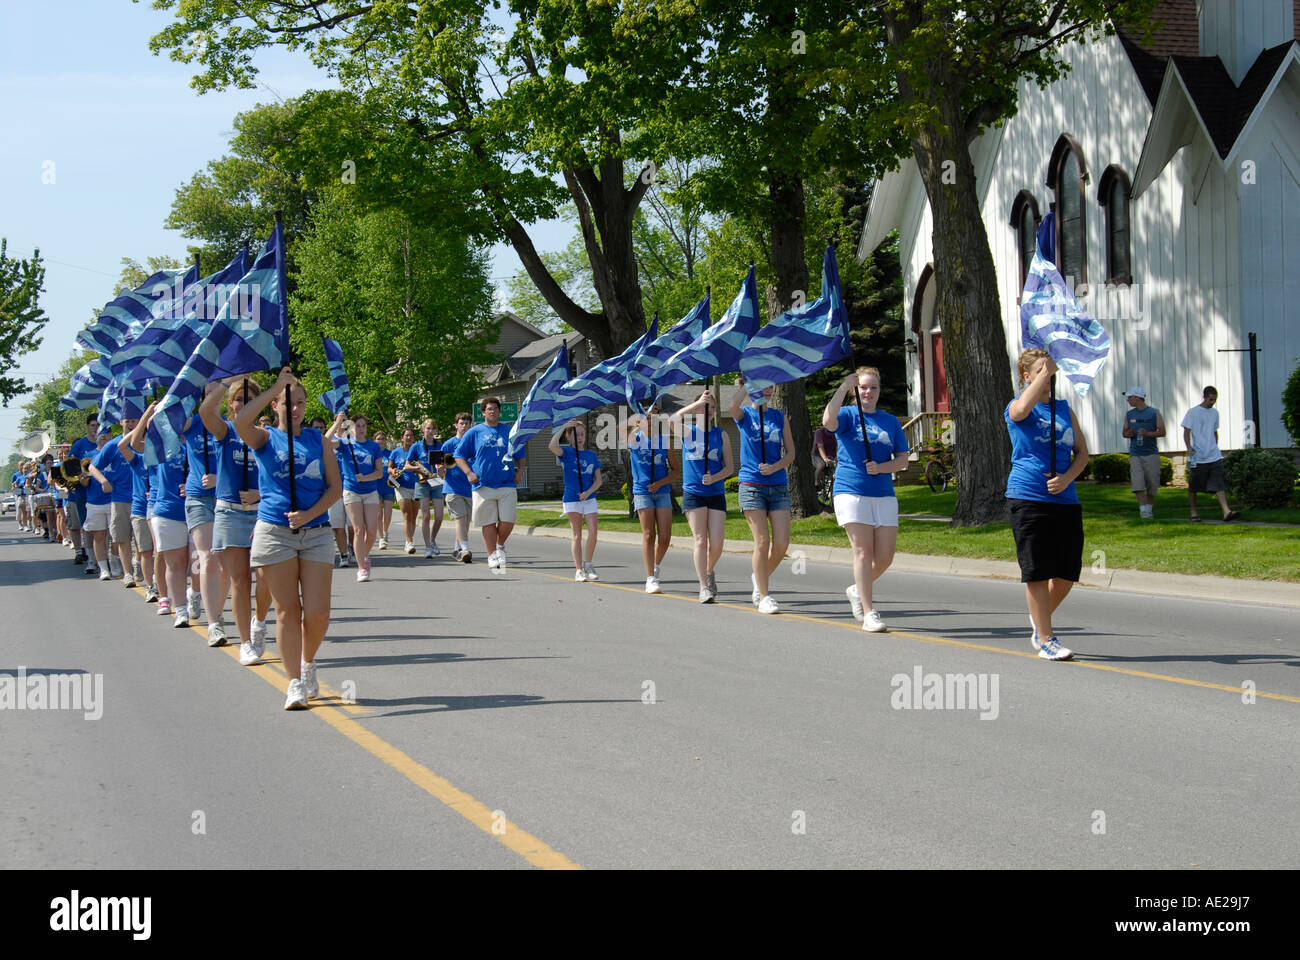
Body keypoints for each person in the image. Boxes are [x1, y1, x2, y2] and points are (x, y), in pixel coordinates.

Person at [235, 368, 342, 710]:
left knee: (318, 613)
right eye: (287, 403)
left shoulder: (317, 440)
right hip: (275, 532)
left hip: (316, 532)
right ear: (276, 406)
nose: (294, 409)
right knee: (287, 611)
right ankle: (294, 682)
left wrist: (309, 515)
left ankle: (309, 662)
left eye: (299, 403)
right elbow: (240, 422)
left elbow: (335, 488)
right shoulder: (265, 438)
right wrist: (275, 387)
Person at [1006, 349, 1091, 661]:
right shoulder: (1018, 408)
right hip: (1028, 497)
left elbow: (1082, 452)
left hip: (1065, 499)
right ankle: (1046, 639)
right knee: (1038, 572)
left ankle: (1038, 620)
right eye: (1041, 371)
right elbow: (1018, 413)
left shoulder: (1064, 409)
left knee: (1068, 572)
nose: (1049, 376)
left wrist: (1067, 478)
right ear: (1027, 376)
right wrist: (1044, 371)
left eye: (1051, 371)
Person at [823, 367, 910, 633]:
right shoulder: (848, 415)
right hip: (851, 490)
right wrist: (842, 388)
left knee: (885, 557)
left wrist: (881, 468)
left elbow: (903, 460)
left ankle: (856, 589)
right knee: (863, 551)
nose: (868, 392)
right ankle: (869, 611)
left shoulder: (890, 421)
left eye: (872, 387)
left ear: (879, 390)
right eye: (862, 387)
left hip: (883, 492)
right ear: (855, 390)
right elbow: (828, 421)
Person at [200, 377, 274, 662]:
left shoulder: (264, 435)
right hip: (230, 513)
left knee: (266, 578)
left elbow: (276, 476)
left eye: (250, 399)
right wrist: (226, 381)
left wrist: (259, 493)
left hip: (261, 514)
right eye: (239, 399)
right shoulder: (225, 431)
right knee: (240, 581)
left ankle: (259, 621)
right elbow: (206, 413)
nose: (244, 404)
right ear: (231, 405)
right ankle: (245, 643)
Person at [123, 404, 192, 627]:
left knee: (194, 560)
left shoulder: (187, 443)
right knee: (163, 554)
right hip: (158, 506)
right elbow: (130, 445)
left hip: (190, 506)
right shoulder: (155, 447)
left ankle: (192, 594)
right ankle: (165, 597)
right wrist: (146, 416)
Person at [729, 386, 795, 614]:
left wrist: (775, 467)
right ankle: (765, 596)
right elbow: (731, 406)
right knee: (762, 541)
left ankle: (759, 577)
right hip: (751, 486)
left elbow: (790, 453)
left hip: (777, 486)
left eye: (770, 386)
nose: (766, 390)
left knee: (782, 543)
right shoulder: (745, 414)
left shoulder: (779, 416)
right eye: (761, 386)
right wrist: (747, 384)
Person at [671, 390, 734, 603]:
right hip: (694, 493)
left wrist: (715, 477)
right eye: (705, 407)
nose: (709, 411)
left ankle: (709, 570)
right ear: (697, 410)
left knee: (716, 543)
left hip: (715, 492)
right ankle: (704, 587)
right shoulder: (687, 432)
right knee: (700, 540)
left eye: (713, 407)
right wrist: (698, 402)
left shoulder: (721, 435)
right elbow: (672, 419)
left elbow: (730, 468)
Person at [454, 396, 524, 569]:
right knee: (489, 522)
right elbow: (458, 455)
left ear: (499, 412)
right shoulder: (475, 432)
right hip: (483, 484)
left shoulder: (509, 431)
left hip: (507, 482)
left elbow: (520, 454)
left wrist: (520, 472)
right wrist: (469, 472)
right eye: (489, 409)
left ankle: (499, 546)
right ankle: (492, 555)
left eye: (495, 408)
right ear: (483, 412)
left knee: (508, 520)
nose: (492, 411)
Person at [182, 409, 230, 641]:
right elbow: (163, 420)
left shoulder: (227, 425)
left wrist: (218, 479)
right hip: (198, 497)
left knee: (225, 563)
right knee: (207, 556)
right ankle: (213, 625)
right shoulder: (191, 423)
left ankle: (216, 610)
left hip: (225, 496)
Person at [327, 411, 385, 581]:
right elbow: (325, 442)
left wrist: (366, 477)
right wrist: (338, 422)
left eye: (363, 426)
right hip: (351, 491)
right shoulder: (345, 443)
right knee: (358, 529)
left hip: (370, 491)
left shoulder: (373, 447)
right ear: (351, 428)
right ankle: (361, 568)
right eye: (357, 426)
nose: (360, 429)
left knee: (372, 532)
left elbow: (379, 472)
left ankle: (363, 556)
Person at [87, 418, 140, 585]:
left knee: (141, 539)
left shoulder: (145, 442)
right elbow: (92, 467)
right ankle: (127, 573)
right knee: (123, 538)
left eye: (135, 421)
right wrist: (103, 481)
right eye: (128, 421)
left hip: (141, 498)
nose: (132, 424)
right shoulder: (113, 445)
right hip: (119, 498)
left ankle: (138, 564)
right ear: (122, 423)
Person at [549, 419, 603, 581]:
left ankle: (588, 565)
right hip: (572, 498)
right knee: (577, 536)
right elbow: (552, 446)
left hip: (589, 497)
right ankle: (578, 569)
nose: (580, 437)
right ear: (570, 437)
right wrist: (564, 427)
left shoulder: (591, 455)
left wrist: (588, 492)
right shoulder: (566, 453)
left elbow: (598, 480)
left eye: (582, 434)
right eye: (576, 434)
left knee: (593, 531)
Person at [1181, 386, 1240, 521]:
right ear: (1205, 397)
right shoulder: (1193, 412)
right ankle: (1194, 513)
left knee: (1219, 483)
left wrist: (1215, 445)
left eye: (1214, 400)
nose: (1212, 402)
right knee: (1194, 487)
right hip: (1198, 456)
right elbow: (1186, 432)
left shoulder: (1215, 413)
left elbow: (1214, 431)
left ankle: (1226, 512)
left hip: (1214, 455)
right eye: (1210, 399)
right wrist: (1189, 448)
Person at [118, 425, 158, 603]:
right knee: (146, 551)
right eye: (143, 439)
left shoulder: (160, 458)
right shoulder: (137, 459)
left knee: (160, 552)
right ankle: (151, 587)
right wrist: (138, 428)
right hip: (140, 510)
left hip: (158, 510)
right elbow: (122, 446)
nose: (145, 443)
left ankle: (159, 583)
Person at [1121, 387, 1165, 519]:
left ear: (1137, 398)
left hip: (1151, 453)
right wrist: (1128, 434)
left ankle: (1149, 508)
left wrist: (1148, 434)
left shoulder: (1154, 413)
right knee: (1137, 481)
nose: (1128, 400)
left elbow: (1162, 431)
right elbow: (1124, 432)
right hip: (1135, 453)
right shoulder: (1129, 415)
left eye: (1129, 397)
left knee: (1152, 482)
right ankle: (1143, 510)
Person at [440, 412, 475, 562]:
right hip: (452, 487)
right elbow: (439, 464)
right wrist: (440, 468)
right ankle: (465, 549)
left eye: (467, 423)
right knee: (460, 518)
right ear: (456, 425)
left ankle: (457, 547)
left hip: (469, 487)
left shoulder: (473, 443)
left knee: (466, 521)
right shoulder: (448, 444)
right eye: (461, 423)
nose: (464, 426)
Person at [408, 418, 445, 559]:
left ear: (435, 431)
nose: (430, 431)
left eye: (432, 429)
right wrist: (416, 468)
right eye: (427, 428)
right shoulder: (416, 446)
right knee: (426, 516)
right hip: (422, 482)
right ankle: (427, 547)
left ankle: (433, 539)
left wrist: (441, 468)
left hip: (436, 481)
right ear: (423, 429)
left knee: (440, 516)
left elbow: (442, 468)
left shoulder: (439, 446)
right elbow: (406, 465)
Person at [82, 432, 116, 579]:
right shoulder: (89, 455)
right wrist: (82, 479)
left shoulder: (115, 451)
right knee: (99, 535)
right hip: (94, 501)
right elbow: (84, 483)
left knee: (116, 536)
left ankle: (115, 565)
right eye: (101, 433)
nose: (104, 436)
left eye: (107, 433)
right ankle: (103, 568)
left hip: (113, 499)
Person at [389, 427, 420, 553]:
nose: (409, 438)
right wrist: (393, 471)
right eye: (406, 435)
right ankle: (409, 542)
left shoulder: (417, 451)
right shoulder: (396, 452)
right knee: (407, 514)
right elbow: (389, 468)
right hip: (402, 486)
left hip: (417, 486)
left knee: (414, 516)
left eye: (411, 435)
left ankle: (410, 539)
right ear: (402, 438)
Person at [372, 429, 394, 550]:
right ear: (374, 440)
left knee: (388, 514)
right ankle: (381, 538)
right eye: (378, 439)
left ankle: (385, 531)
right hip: (376, 486)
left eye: (383, 439)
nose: (381, 441)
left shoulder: (390, 453)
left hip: (388, 486)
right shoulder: (373, 453)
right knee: (379, 514)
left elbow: (393, 467)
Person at [812, 422, 836, 492]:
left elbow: (838, 446)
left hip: (831, 456)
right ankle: (816, 483)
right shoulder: (819, 432)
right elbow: (820, 446)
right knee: (821, 465)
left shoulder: (835, 432)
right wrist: (825, 459)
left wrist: (836, 457)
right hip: (817, 455)